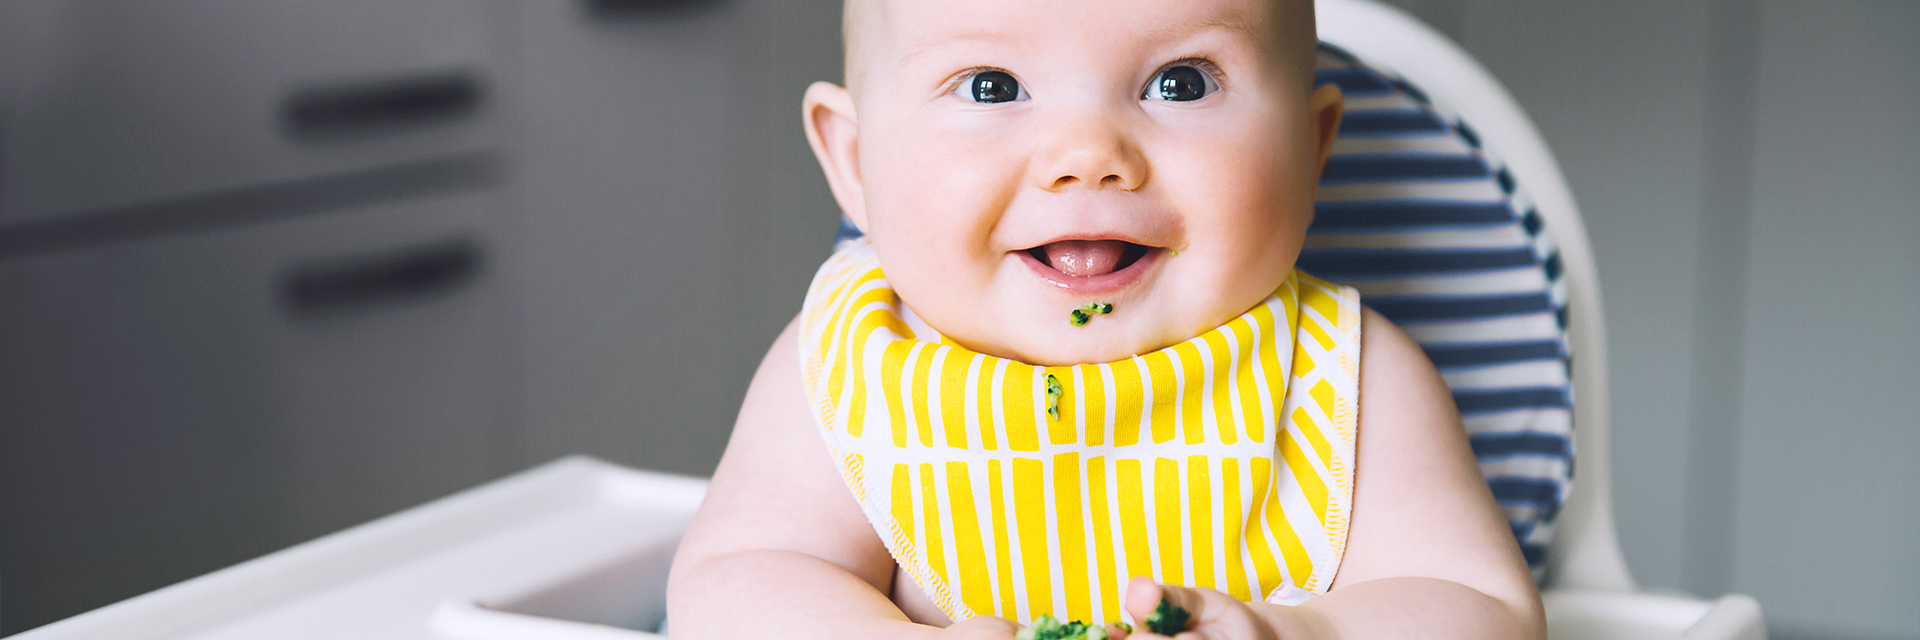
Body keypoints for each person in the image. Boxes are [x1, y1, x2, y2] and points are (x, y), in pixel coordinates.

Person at [667, 0, 1544, 637]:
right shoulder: (856, 365)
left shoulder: (1349, 379)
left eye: (1180, 82)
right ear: (855, 161)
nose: (1088, 155)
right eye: (991, 86)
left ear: (1309, 152)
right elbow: (732, 586)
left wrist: (1301, 632)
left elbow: (1483, 610)